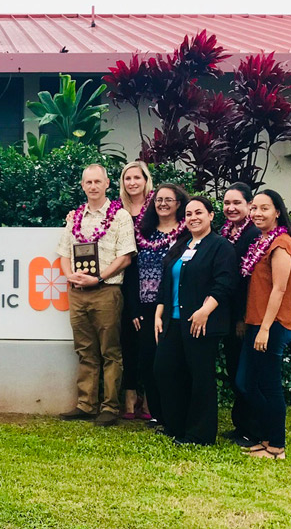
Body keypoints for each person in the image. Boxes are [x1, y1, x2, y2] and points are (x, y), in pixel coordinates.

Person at [57, 164, 137, 426]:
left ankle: (110, 407)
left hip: (106, 291)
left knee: (110, 352)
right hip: (78, 292)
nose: (93, 186)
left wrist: (99, 277)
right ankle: (85, 404)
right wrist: (70, 276)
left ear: (107, 184)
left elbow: (125, 256)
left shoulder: (120, 216)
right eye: (88, 182)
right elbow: (64, 254)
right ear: (83, 186)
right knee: (84, 350)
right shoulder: (75, 217)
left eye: (97, 182)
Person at [154, 196, 236, 445]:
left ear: (211, 216)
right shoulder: (182, 245)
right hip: (173, 321)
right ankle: (176, 425)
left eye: (199, 212)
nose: (193, 218)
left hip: (201, 322)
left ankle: (199, 434)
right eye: (189, 214)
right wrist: (159, 313)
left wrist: (205, 311)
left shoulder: (221, 247)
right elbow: (166, 281)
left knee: (200, 377)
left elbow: (224, 283)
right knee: (165, 370)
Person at [236, 190, 291, 459]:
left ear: (277, 211)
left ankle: (277, 446)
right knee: (246, 383)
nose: (256, 213)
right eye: (254, 208)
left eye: (264, 208)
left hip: (272, 325)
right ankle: (266, 438)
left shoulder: (282, 244)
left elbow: (278, 289)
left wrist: (265, 328)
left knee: (269, 386)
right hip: (256, 322)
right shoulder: (263, 241)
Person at [130, 184, 188, 428]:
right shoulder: (143, 232)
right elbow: (132, 272)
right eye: (158, 200)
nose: (162, 204)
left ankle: (175, 413)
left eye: (168, 200)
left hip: (173, 307)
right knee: (148, 362)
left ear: (178, 203)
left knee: (172, 362)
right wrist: (134, 309)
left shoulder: (187, 234)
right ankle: (156, 413)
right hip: (145, 308)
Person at [218, 182, 260, 446]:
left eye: (237, 203)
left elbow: (251, 282)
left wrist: (242, 317)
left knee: (246, 374)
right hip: (227, 311)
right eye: (227, 203)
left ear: (249, 205)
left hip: (244, 315)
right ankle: (240, 424)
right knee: (234, 370)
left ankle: (253, 428)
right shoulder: (225, 233)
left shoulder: (253, 234)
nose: (231, 208)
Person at [117, 161, 154, 420]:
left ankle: (151, 397)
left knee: (150, 343)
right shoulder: (116, 210)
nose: (132, 182)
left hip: (152, 277)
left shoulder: (157, 207)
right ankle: (130, 395)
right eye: (127, 178)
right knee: (128, 341)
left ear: (145, 180)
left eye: (136, 177)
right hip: (125, 276)